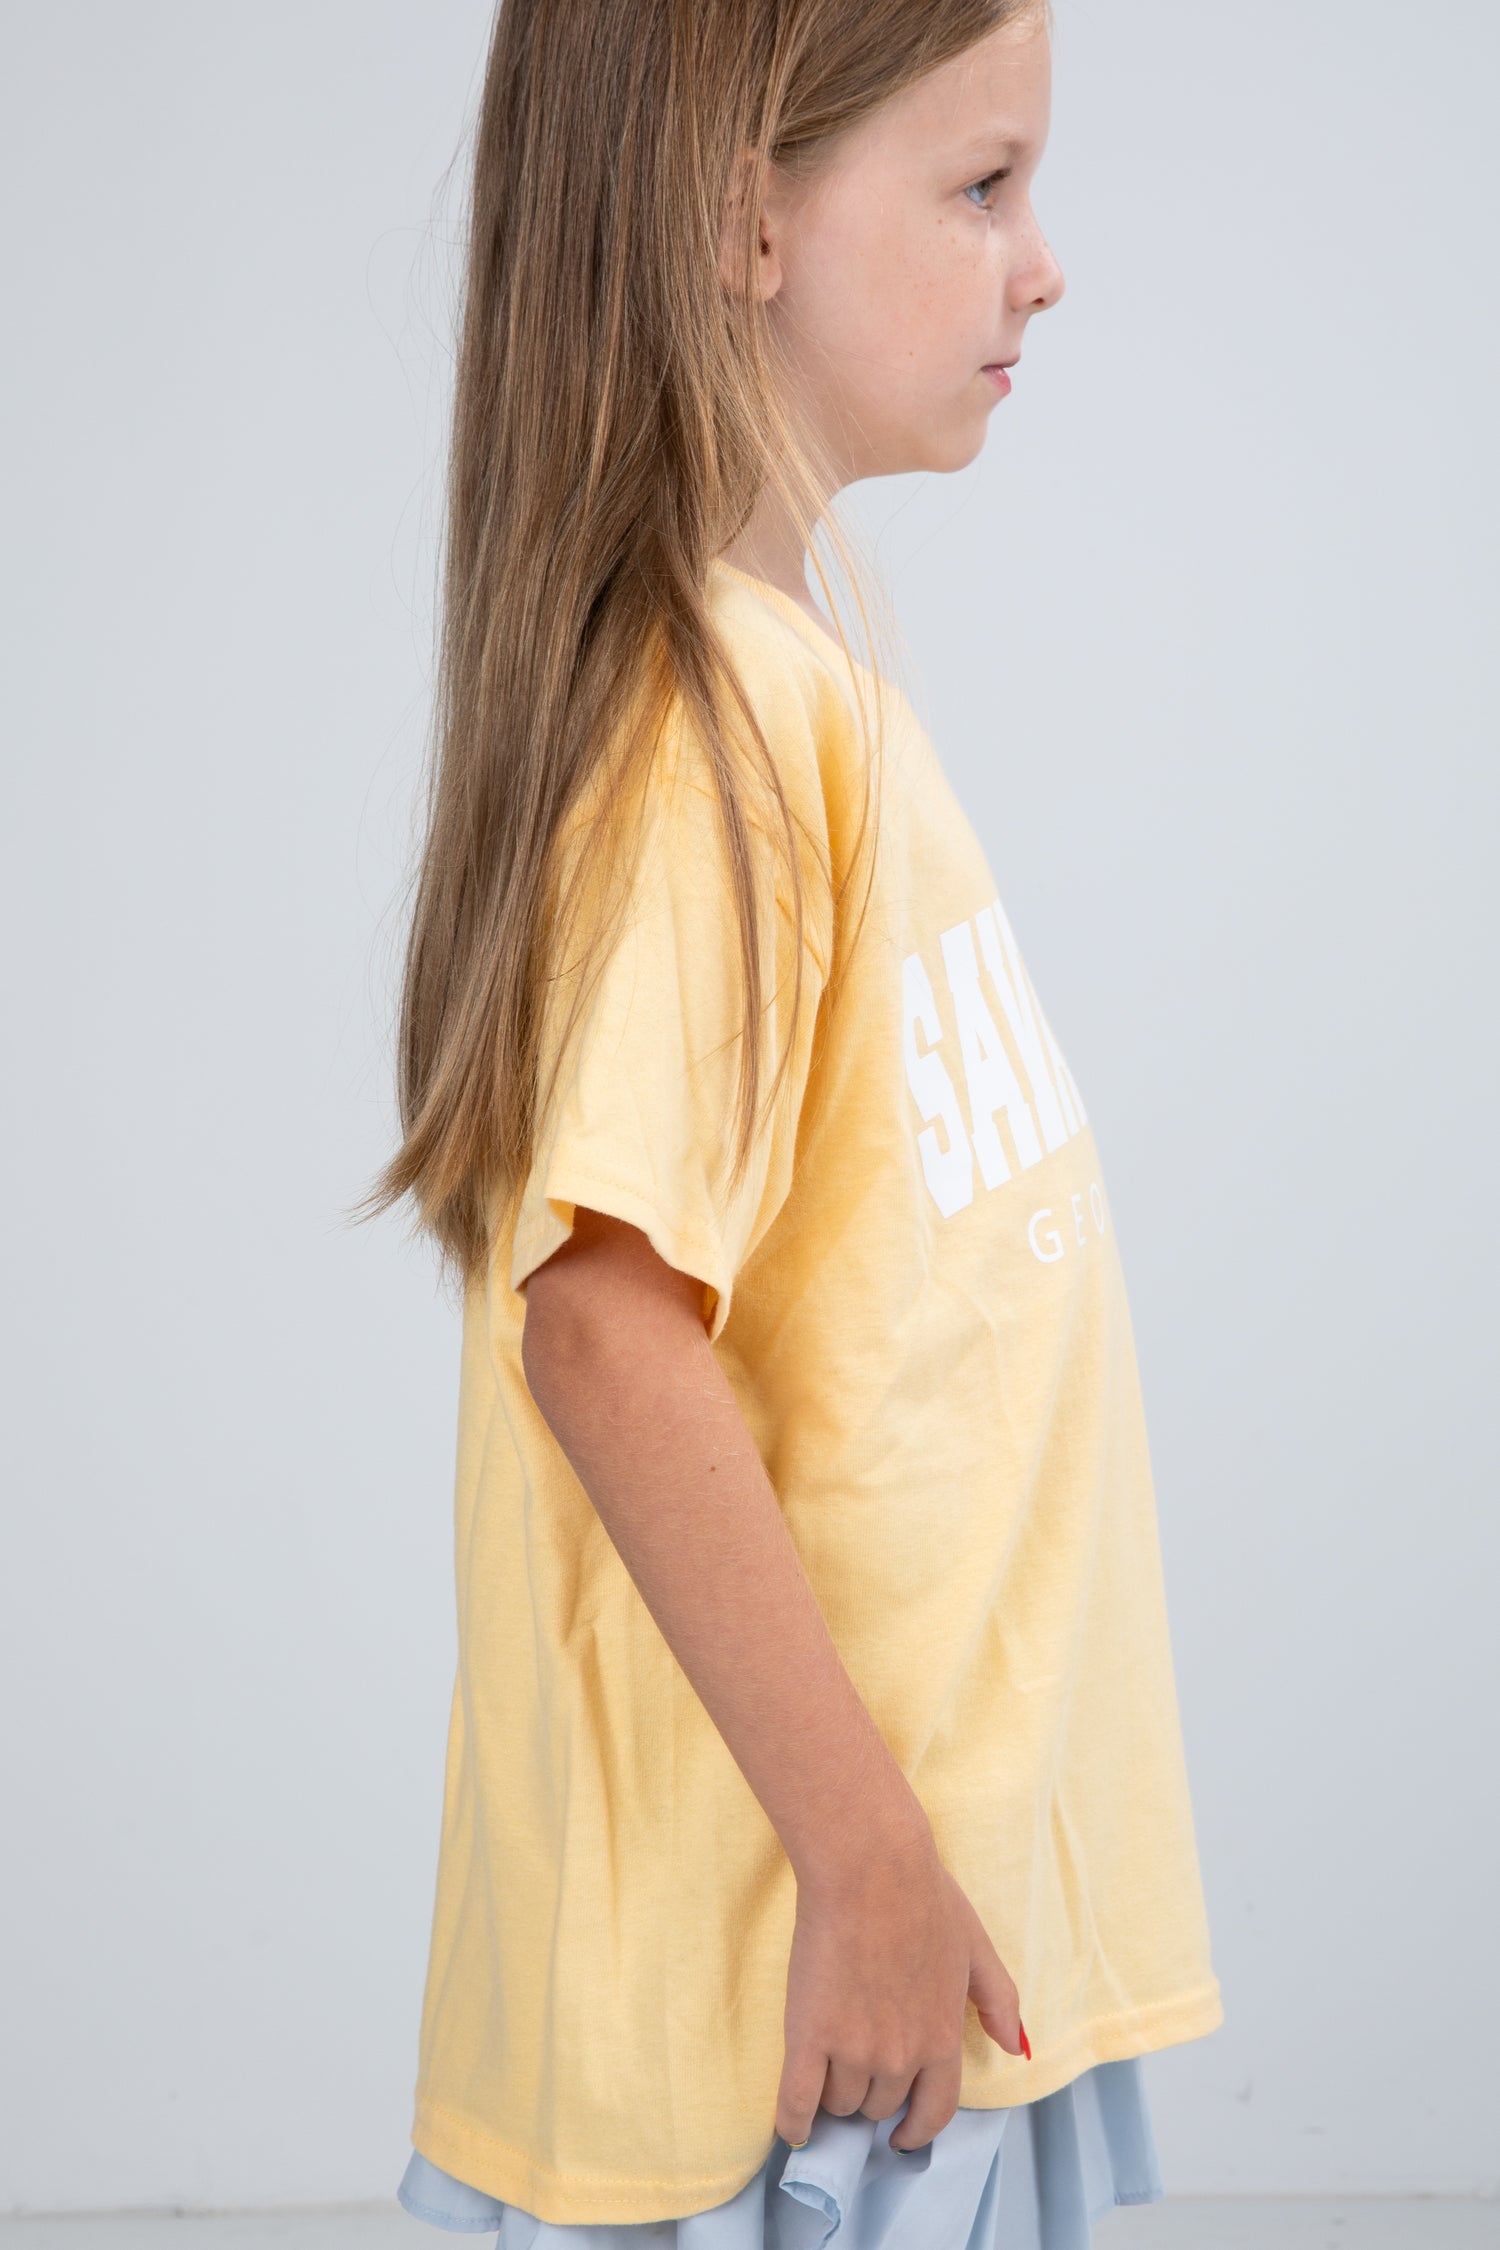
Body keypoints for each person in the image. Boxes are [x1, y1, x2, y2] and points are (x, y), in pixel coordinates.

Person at [360, 0, 1224, 2241]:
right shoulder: (707, 732)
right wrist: (864, 1855)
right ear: (743, 217)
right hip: (796, 2009)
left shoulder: (789, 684)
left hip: (894, 1960)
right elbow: (602, 1326)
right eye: (982, 185)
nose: (1043, 262)